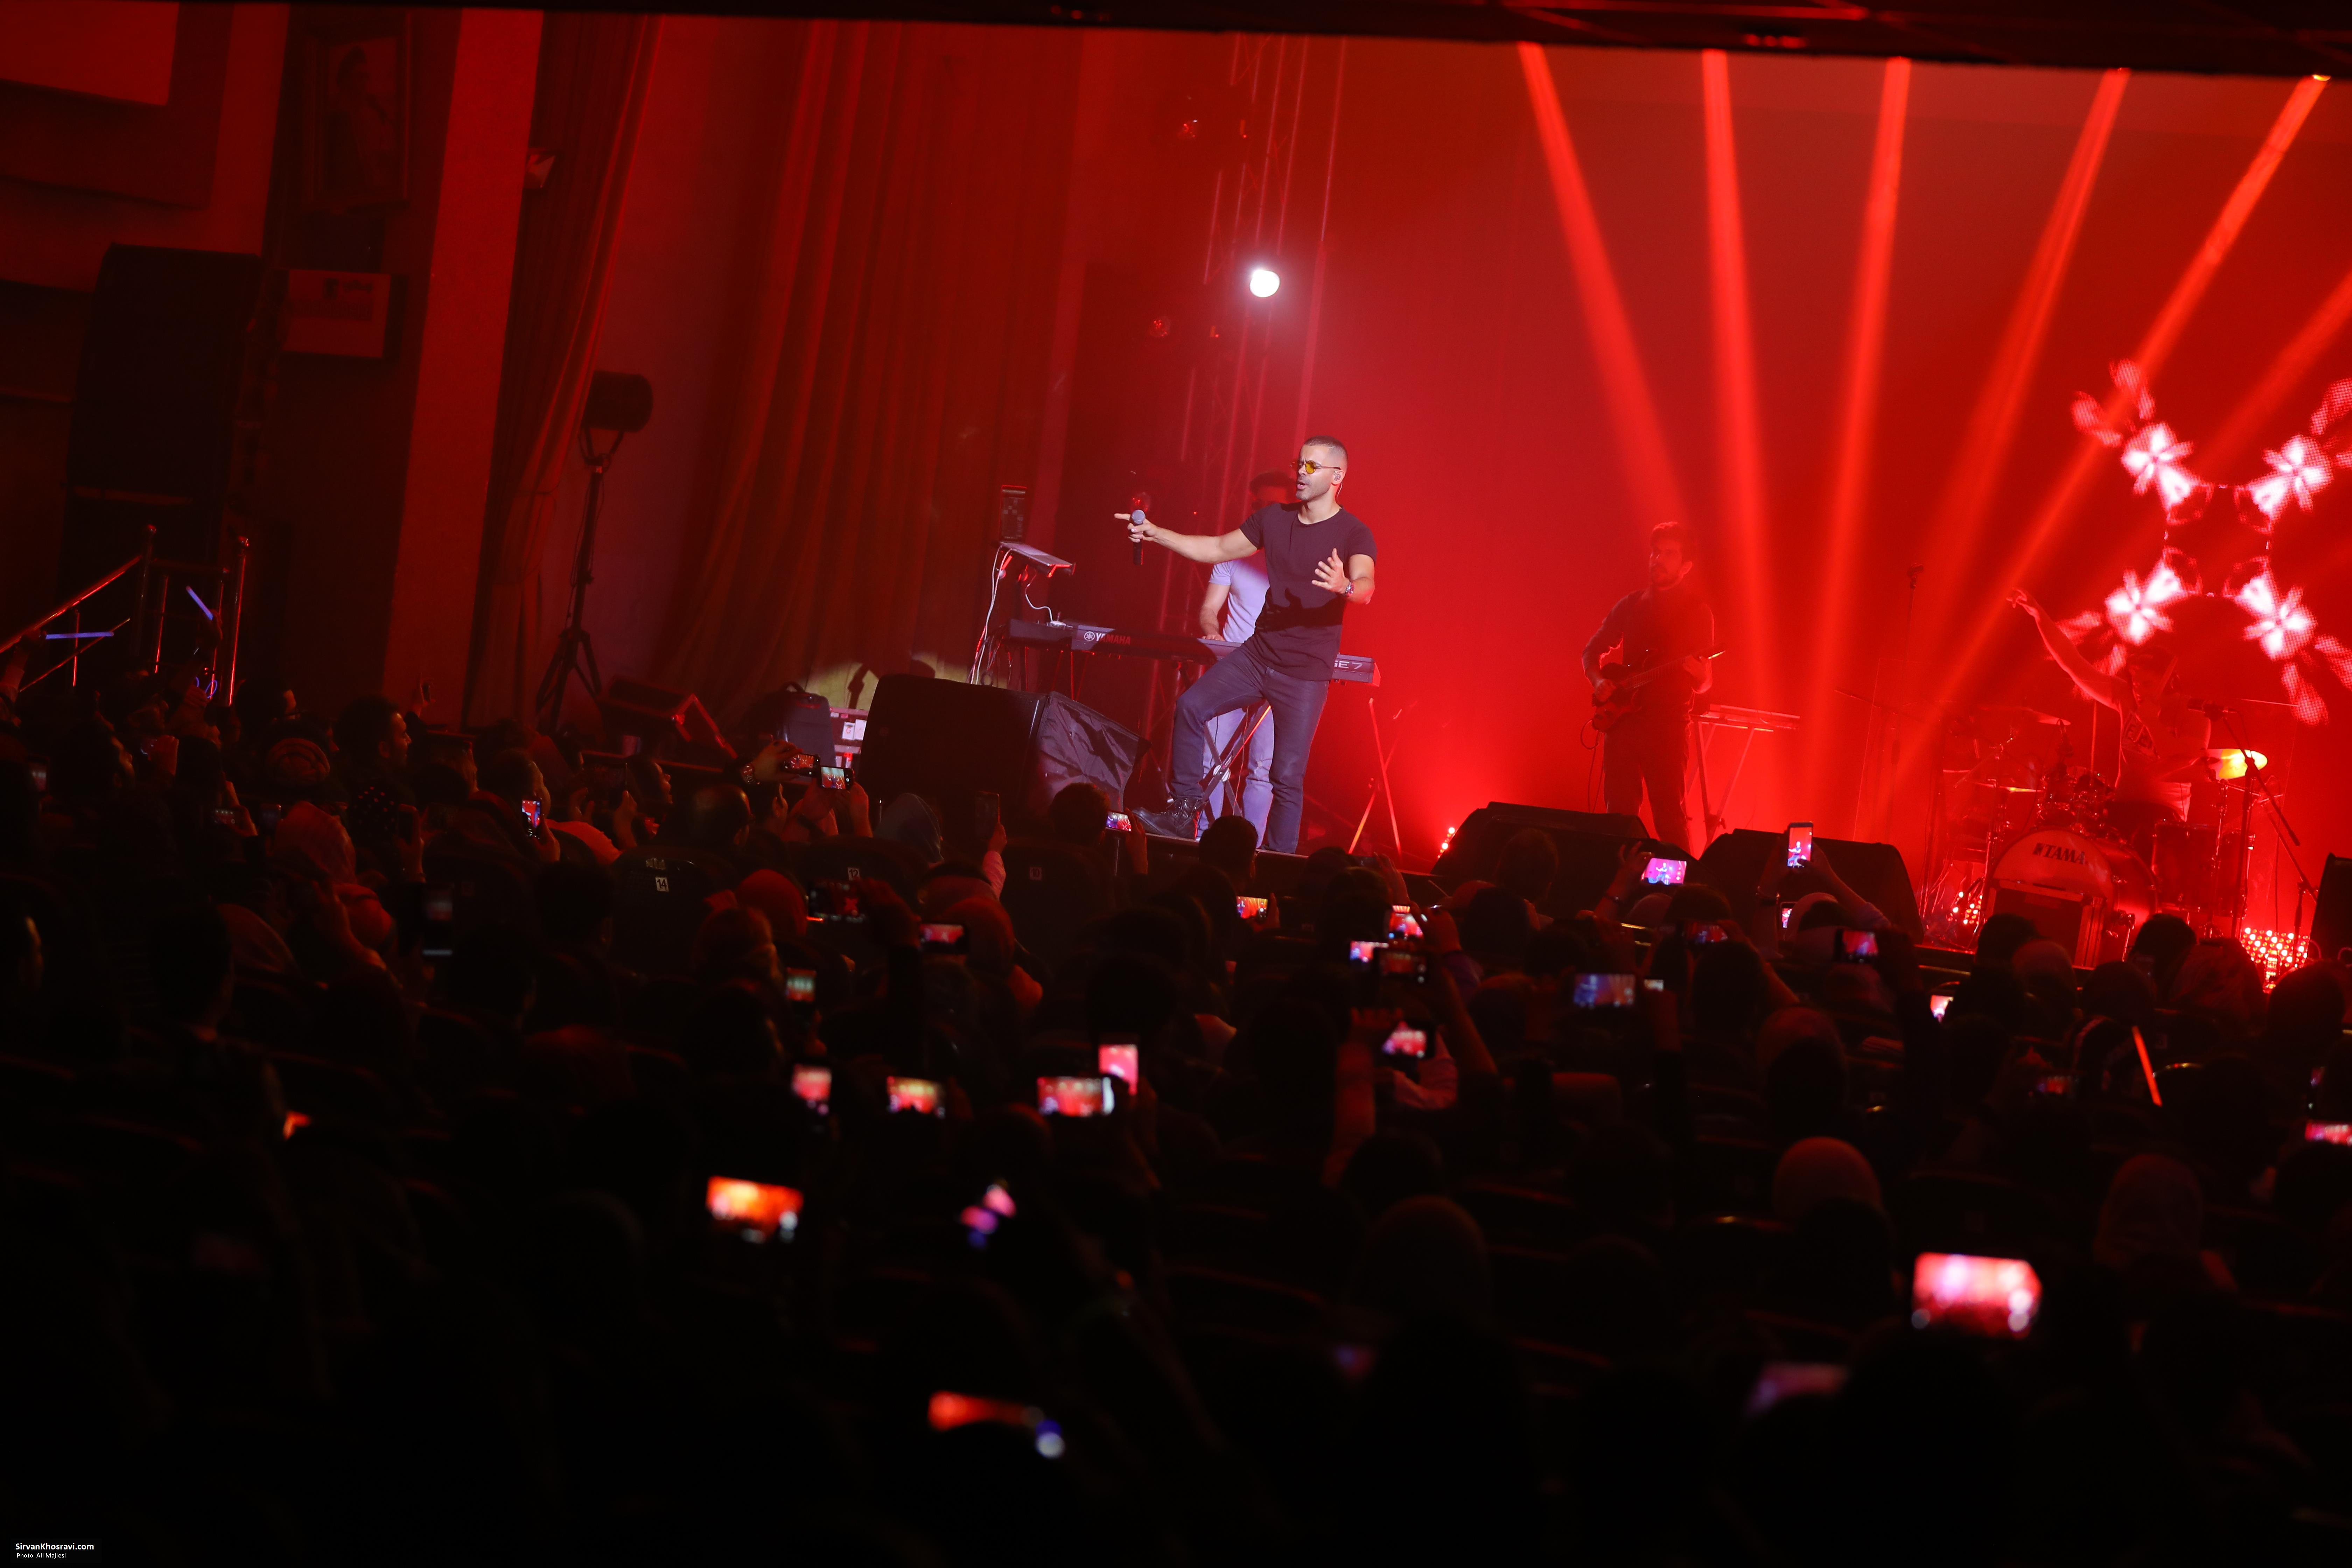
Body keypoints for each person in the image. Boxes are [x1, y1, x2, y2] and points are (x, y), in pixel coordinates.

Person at [1128, 436, 1377, 852]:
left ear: (1338, 477)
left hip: (1304, 671)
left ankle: (1279, 862)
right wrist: (1157, 534)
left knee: (1286, 776)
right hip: (1258, 655)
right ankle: (1184, 813)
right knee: (1191, 707)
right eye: (1299, 464)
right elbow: (1217, 548)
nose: (1300, 473)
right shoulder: (1274, 519)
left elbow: (1367, 586)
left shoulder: (1354, 532)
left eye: (1312, 467)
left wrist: (1346, 586)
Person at [2009, 589, 2209, 860]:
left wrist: (2152, 722)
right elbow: (2074, 665)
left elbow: (2182, 758)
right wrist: (2039, 615)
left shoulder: (2193, 712)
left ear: (2170, 682)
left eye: (2147, 684)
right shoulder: (2127, 697)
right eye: (2135, 683)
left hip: (2164, 821)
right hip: (2121, 810)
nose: (2139, 691)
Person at [1582, 522, 1714, 852]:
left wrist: (1702, 677)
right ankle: (1619, 877)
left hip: (1668, 727)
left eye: (1669, 554)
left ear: (1686, 566)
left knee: (1669, 818)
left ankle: (1677, 883)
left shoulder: (1697, 612)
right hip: (1623, 725)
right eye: (1656, 552)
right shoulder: (1631, 605)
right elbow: (1591, 652)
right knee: (1618, 818)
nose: (1659, 559)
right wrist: (1599, 682)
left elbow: (1704, 684)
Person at [1194, 469, 1290, 838]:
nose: (1264, 511)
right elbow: (1209, 608)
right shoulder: (1233, 554)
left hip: (1279, 671)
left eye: (1273, 505)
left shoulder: (1296, 560)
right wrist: (1212, 631)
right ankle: (1206, 837)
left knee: (1264, 768)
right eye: (1259, 504)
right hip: (1233, 666)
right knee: (1213, 759)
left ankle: (1253, 847)